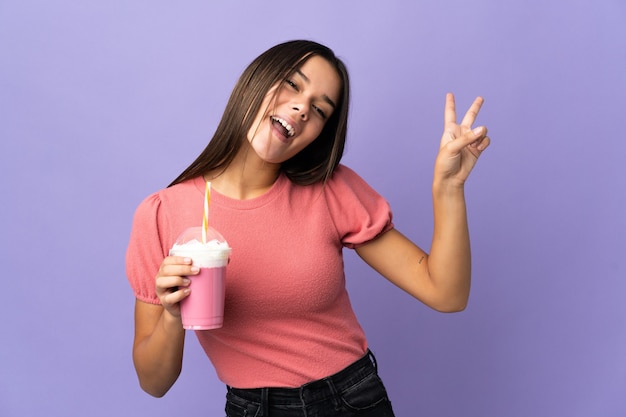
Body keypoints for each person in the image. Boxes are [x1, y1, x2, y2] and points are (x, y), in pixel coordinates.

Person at [126, 39, 490, 416]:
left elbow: (446, 293)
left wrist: (448, 188)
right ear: (255, 81)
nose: (302, 108)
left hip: (352, 399)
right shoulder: (162, 214)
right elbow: (154, 383)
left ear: (320, 133)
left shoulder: (331, 190)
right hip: (254, 408)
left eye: (319, 110)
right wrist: (172, 315)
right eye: (293, 85)